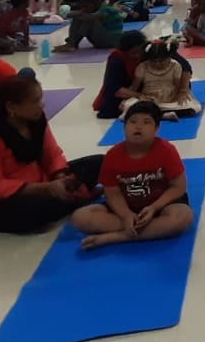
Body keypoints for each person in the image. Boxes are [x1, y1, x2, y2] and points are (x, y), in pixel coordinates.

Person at [0, 76, 103, 234]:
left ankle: (69, 198)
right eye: (35, 101)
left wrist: (60, 177)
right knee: (30, 211)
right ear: (11, 107)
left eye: (40, 100)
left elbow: (52, 153)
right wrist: (46, 188)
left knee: (99, 163)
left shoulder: (37, 121)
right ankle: (75, 197)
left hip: (43, 182)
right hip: (0, 199)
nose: (41, 106)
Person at [69, 102, 193, 250]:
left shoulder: (167, 150)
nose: (138, 127)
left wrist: (154, 207)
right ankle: (141, 229)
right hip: (126, 208)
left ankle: (117, 237)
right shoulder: (113, 155)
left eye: (146, 122)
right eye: (133, 122)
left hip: (160, 206)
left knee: (183, 216)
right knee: (80, 217)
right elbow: (112, 193)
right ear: (124, 127)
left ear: (156, 129)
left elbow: (178, 186)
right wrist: (126, 214)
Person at [121, 40, 200, 119]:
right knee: (129, 105)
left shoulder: (175, 65)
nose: (157, 64)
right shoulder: (143, 67)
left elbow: (178, 86)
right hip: (150, 99)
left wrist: (179, 95)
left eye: (161, 61)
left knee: (190, 105)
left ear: (168, 57)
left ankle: (154, 114)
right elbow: (134, 87)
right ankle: (163, 115)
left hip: (170, 98)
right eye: (154, 61)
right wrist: (126, 99)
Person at [54, 0, 124, 52]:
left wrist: (79, 13)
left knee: (89, 20)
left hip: (111, 41)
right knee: (79, 17)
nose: (84, 8)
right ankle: (72, 43)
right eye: (82, 6)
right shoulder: (95, 9)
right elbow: (70, 15)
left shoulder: (106, 9)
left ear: (94, 2)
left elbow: (91, 17)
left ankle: (72, 44)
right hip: (101, 40)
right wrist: (79, 13)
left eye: (86, 6)